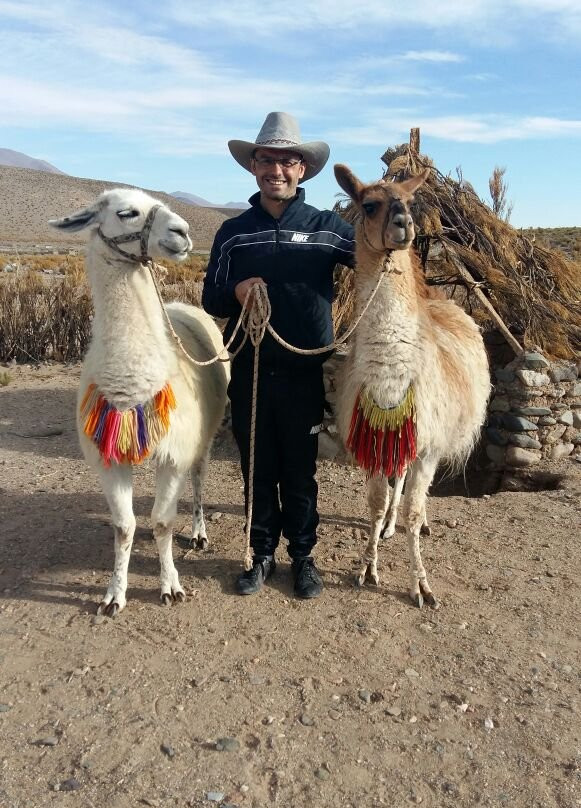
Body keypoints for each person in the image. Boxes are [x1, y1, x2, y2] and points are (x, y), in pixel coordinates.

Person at [202, 111, 354, 598]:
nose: (277, 171)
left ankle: (303, 557)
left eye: (287, 161)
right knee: (257, 467)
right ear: (253, 167)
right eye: (267, 161)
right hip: (250, 369)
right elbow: (211, 298)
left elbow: (376, 258)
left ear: (302, 169)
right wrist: (239, 289)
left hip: (304, 370)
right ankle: (260, 553)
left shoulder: (329, 228)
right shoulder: (233, 232)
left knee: (300, 470)